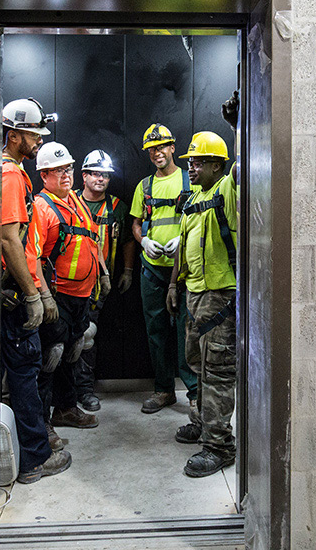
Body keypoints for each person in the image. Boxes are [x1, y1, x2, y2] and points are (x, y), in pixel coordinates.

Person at [0, 98, 71, 483]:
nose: (39, 140)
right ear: (14, 136)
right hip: (13, 292)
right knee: (26, 372)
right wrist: (31, 294)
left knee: (20, 371)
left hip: (13, 286)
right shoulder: (10, 176)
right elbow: (11, 241)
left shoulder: (7, 171)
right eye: (32, 134)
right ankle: (33, 461)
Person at [167, 130, 239, 478]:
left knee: (218, 372)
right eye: (190, 162)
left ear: (216, 164)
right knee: (196, 364)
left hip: (220, 296)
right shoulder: (195, 197)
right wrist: (172, 283)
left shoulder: (227, 190)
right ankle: (203, 423)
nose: (190, 167)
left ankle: (220, 446)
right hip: (194, 294)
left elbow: (245, 167)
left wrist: (241, 127)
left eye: (197, 162)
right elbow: (184, 242)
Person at [34, 142, 106, 437]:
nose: (65, 175)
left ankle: (66, 408)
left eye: (68, 169)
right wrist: (44, 297)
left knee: (72, 354)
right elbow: (33, 256)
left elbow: (91, 240)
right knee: (51, 356)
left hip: (82, 296)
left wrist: (103, 273)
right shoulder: (42, 207)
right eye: (57, 170)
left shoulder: (76, 201)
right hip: (58, 297)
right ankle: (42, 424)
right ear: (44, 175)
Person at [130, 124, 199, 415]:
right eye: (152, 149)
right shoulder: (144, 187)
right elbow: (135, 223)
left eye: (162, 146)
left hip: (184, 270)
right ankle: (163, 390)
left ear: (172, 147)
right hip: (152, 270)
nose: (157, 152)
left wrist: (181, 240)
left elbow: (201, 215)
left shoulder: (189, 181)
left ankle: (195, 393)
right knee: (156, 331)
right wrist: (143, 240)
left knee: (188, 332)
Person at [73, 149, 136, 412]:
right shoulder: (67, 201)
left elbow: (128, 241)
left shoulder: (116, 207)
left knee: (87, 337)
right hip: (67, 284)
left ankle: (85, 391)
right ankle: (62, 394)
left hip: (99, 287)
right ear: (84, 175)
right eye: (95, 174)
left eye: (106, 175)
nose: (101, 179)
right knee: (61, 340)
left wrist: (128, 271)